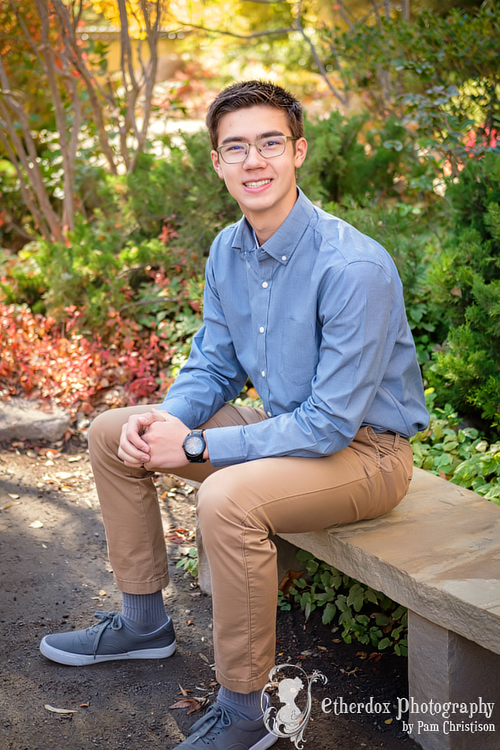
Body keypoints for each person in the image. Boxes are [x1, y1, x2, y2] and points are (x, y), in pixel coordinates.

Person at [40, 80, 429, 749]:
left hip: (366, 455)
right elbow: (215, 363)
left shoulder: (353, 267)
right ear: (218, 163)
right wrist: (168, 422)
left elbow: (331, 424)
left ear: (298, 151)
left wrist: (194, 450)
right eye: (236, 147)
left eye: (270, 142)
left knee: (227, 497)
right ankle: (142, 625)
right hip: (288, 432)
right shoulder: (229, 250)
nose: (255, 160)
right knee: (114, 434)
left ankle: (246, 711)